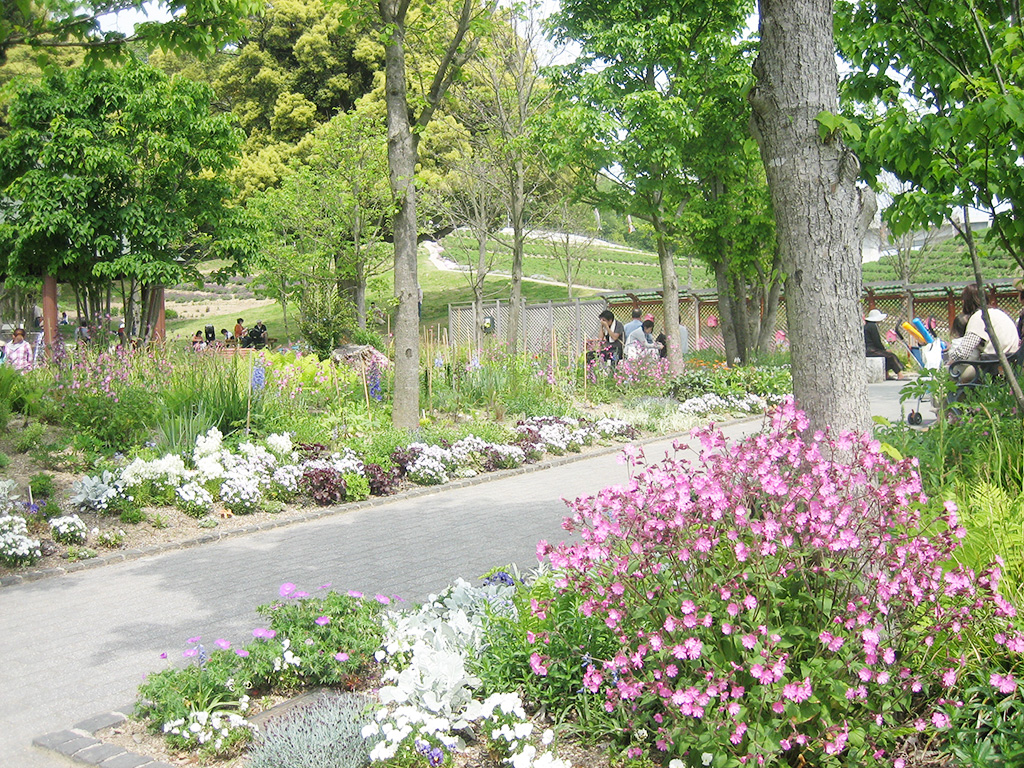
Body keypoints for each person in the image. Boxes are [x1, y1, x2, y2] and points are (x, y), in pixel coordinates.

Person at [946, 284, 1020, 383]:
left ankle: (955, 398)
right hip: (1011, 361)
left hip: (993, 364)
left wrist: (949, 361)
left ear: (966, 301)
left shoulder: (979, 317)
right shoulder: (998, 313)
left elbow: (963, 352)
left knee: (953, 374)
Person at [863, 309, 904, 380]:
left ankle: (886, 374)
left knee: (886, 355)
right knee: (891, 356)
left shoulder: (867, 326)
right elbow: (876, 341)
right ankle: (899, 374)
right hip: (871, 350)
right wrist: (884, 350)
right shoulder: (872, 326)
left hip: (868, 349)